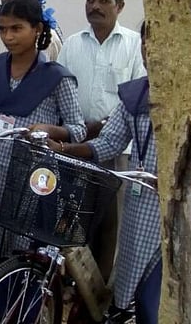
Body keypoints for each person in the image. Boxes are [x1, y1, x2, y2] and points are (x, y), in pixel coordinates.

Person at [0, 0, 85, 262]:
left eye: (16, 28)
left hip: (33, 174)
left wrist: (50, 129)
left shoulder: (56, 77)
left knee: (23, 248)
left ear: (37, 29)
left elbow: (78, 128)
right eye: (3, 29)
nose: (8, 36)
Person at [53, 22, 159, 324]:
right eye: (146, 45)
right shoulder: (136, 94)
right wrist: (62, 149)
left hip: (181, 210)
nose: (151, 52)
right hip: (142, 204)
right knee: (137, 289)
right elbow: (110, 142)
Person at [58, 0, 146, 139]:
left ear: (119, 7)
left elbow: (138, 96)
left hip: (119, 141)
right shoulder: (71, 44)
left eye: (104, 1)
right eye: (90, 0)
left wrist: (102, 125)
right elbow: (58, 92)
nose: (95, 6)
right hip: (74, 140)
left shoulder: (136, 45)